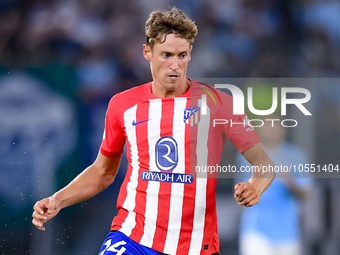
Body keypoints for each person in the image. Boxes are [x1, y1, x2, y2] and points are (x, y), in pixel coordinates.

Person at [32, 7, 275, 255]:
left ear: (190, 54)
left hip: (194, 247)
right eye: (166, 55)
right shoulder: (123, 105)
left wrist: (255, 186)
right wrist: (57, 200)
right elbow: (102, 173)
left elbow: (265, 164)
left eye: (181, 55)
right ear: (147, 52)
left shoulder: (220, 103)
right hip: (133, 238)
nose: (174, 65)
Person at [236, 115, 312, 255]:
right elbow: (240, 194)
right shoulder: (246, 156)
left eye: (274, 127)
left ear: (283, 130)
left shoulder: (296, 156)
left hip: (288, 233)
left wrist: (291, 183)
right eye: (266, 127)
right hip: (256, 231)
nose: (270, 131)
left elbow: (305, 193)